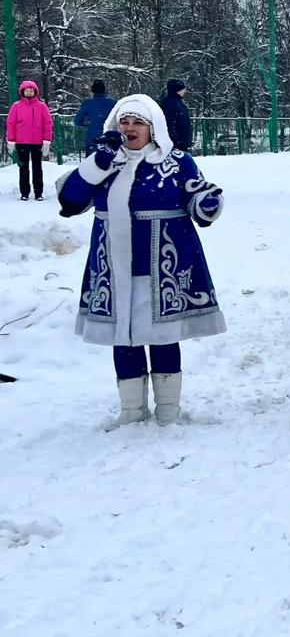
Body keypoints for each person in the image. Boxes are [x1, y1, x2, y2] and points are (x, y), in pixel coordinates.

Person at [56, 94, 225, 428]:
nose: (130, 128)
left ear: (154, 128)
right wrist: (97, 163)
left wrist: (207, 202)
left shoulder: (177, 161)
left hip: (165, 269)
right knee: (124, 336)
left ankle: (168, 410)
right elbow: (70, 199)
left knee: (164, 336)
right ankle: (131, 410)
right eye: (125, 121)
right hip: (114, 269)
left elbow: (198, 196)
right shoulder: (103, 161)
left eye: (138, 123)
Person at [6, 80, 54, 201]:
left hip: (37, 142)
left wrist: (46, 140)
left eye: (31, 90)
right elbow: (11, 123)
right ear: (22, 92)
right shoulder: (16, 106)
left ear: (35, 91)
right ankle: (24, 193)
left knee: (37, 168)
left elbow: (47, 123)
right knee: (23, 168)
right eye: (27, 90)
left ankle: (38, 193)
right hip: (22, 141)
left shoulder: (42, 106)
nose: (29, 92)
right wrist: (11, 140)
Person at [74, 79, 117, 156]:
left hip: (93, 140)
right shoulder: (113, 103)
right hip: (110, 140)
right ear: (104, 90)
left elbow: (77, 121)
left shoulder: (87, 104)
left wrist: (87, 123)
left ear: (93, 90)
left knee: (91, 165)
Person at [159, 78, 193, 152]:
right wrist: (175, 140)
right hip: (175, 144)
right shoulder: (169, 103)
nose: (185, 91)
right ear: (177, 90)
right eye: (183, 89)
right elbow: (168, 123)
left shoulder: (179, 103)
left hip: (181, 143)